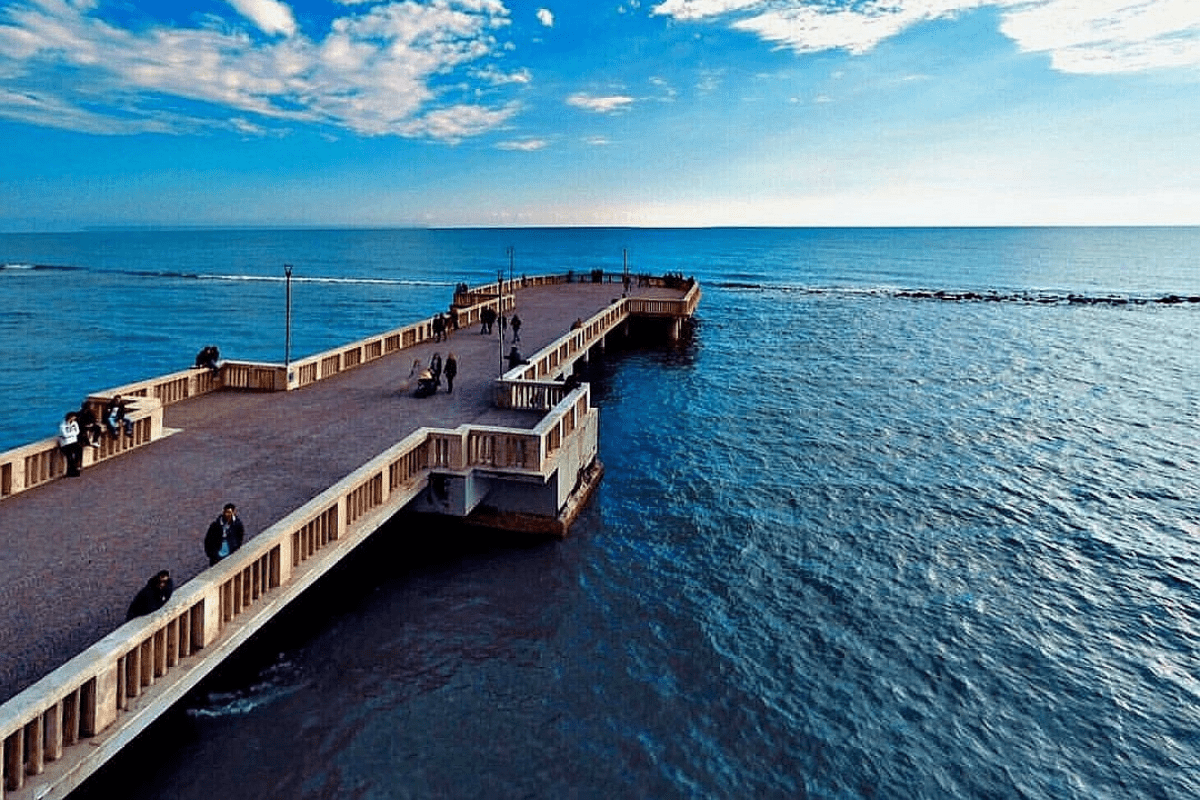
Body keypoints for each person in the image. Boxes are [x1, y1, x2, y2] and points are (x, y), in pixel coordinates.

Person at [58, 411, 83, 477]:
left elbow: (77, 432)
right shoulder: (63, 425)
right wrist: (72, 434)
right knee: (70, 457)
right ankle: (71, 471)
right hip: (65, 444)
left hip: (73, 441)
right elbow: (64, 435)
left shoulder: (74, 423)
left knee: (79, 451)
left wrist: (71, 434)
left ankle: (76, 468)